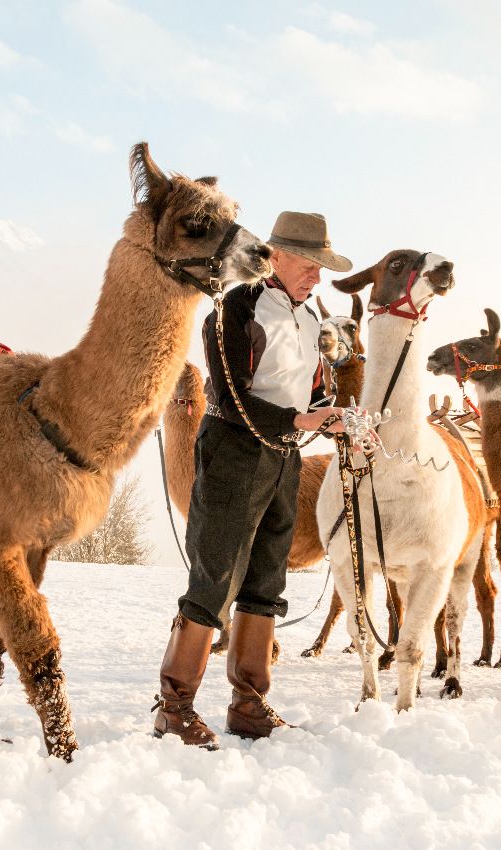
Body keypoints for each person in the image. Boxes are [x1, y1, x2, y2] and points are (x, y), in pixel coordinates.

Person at [152, 211, 353, 749]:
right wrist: (300, 419)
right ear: (275, 256)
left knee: (266, 579)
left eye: (322, 267)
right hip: (233, 451)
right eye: (309, 263)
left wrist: (331, 418)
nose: (317, 276)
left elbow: (310, 391)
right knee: (215, 575)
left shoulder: (311, 316)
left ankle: (248, 703)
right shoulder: (234, 308)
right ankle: (173, 707)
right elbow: (232, 395)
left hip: (283, 457)